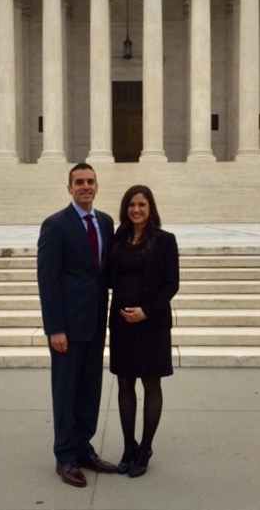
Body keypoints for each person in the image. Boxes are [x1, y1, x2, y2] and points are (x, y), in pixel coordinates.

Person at [37, 163, 117, 488]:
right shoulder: (55, 225)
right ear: (69, 188)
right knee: (66, 390)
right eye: (79, 182)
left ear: (97, 186)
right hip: (67, 327)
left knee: (89, 389)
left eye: (90, 181)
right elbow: (48, 280)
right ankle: (65, 456)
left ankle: (83, 448)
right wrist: (55, 328)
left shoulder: (106, 223)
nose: (85, 186)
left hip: (96, 322)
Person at [108, 185, 179, 478]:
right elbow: (110, 277)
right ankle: (129, 446)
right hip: (122, 322)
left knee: (151, 384)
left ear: (150, 208)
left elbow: (171, 284)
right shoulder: (119, 238)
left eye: (141, 204)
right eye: (131, 205)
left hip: (152, 323)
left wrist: (146, 311)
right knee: (125, 384)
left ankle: (146, 448)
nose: (136, 209)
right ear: (126, 209)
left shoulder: (165, 241)